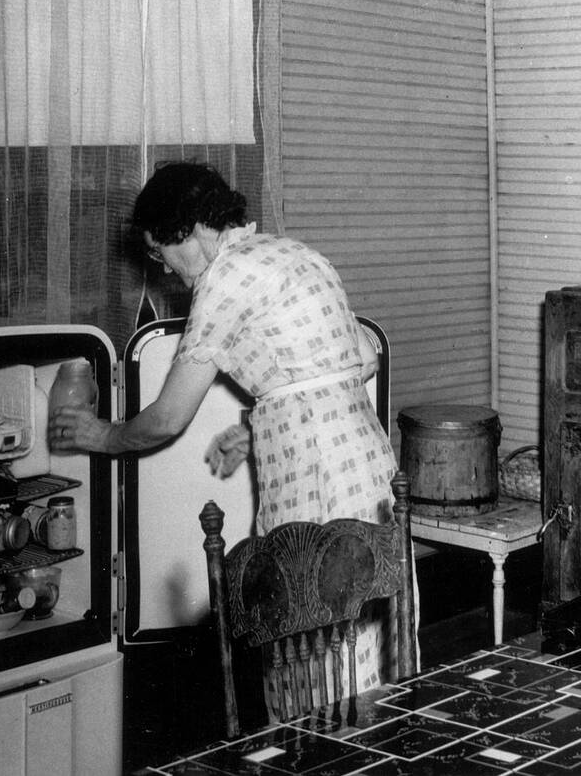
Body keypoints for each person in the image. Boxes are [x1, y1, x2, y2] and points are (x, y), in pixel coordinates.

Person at [47, 161, 403, 689]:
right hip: (367, 462)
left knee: (314, 639)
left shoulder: (223, 277)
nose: (166, 269)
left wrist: (101, 434)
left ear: (187, 230)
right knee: (370, 633)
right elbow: (362, 359)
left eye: (159, 251)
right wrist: (269, 425)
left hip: (316, 476)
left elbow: (168, 417)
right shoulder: (292, 252)